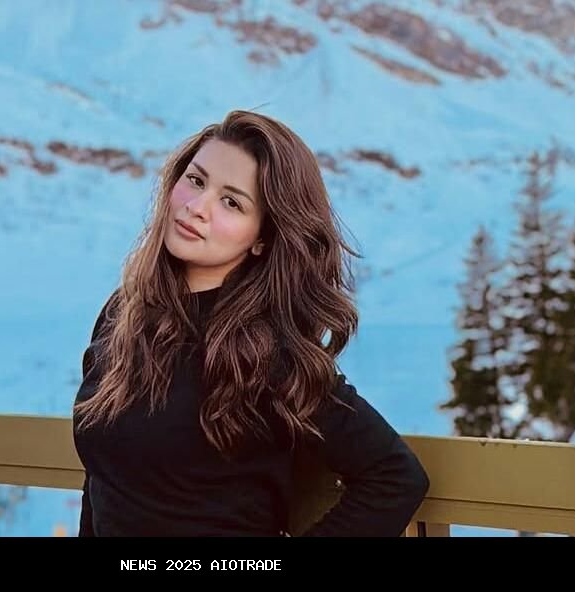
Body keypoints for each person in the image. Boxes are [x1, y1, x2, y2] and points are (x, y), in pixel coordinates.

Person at [72, 109, 429, 537]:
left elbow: (394, 476)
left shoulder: (266, 349)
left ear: (262, 237)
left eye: (232, 202)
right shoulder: (123, 313)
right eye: (196, 180)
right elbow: (101, 481)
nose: (196, 207)